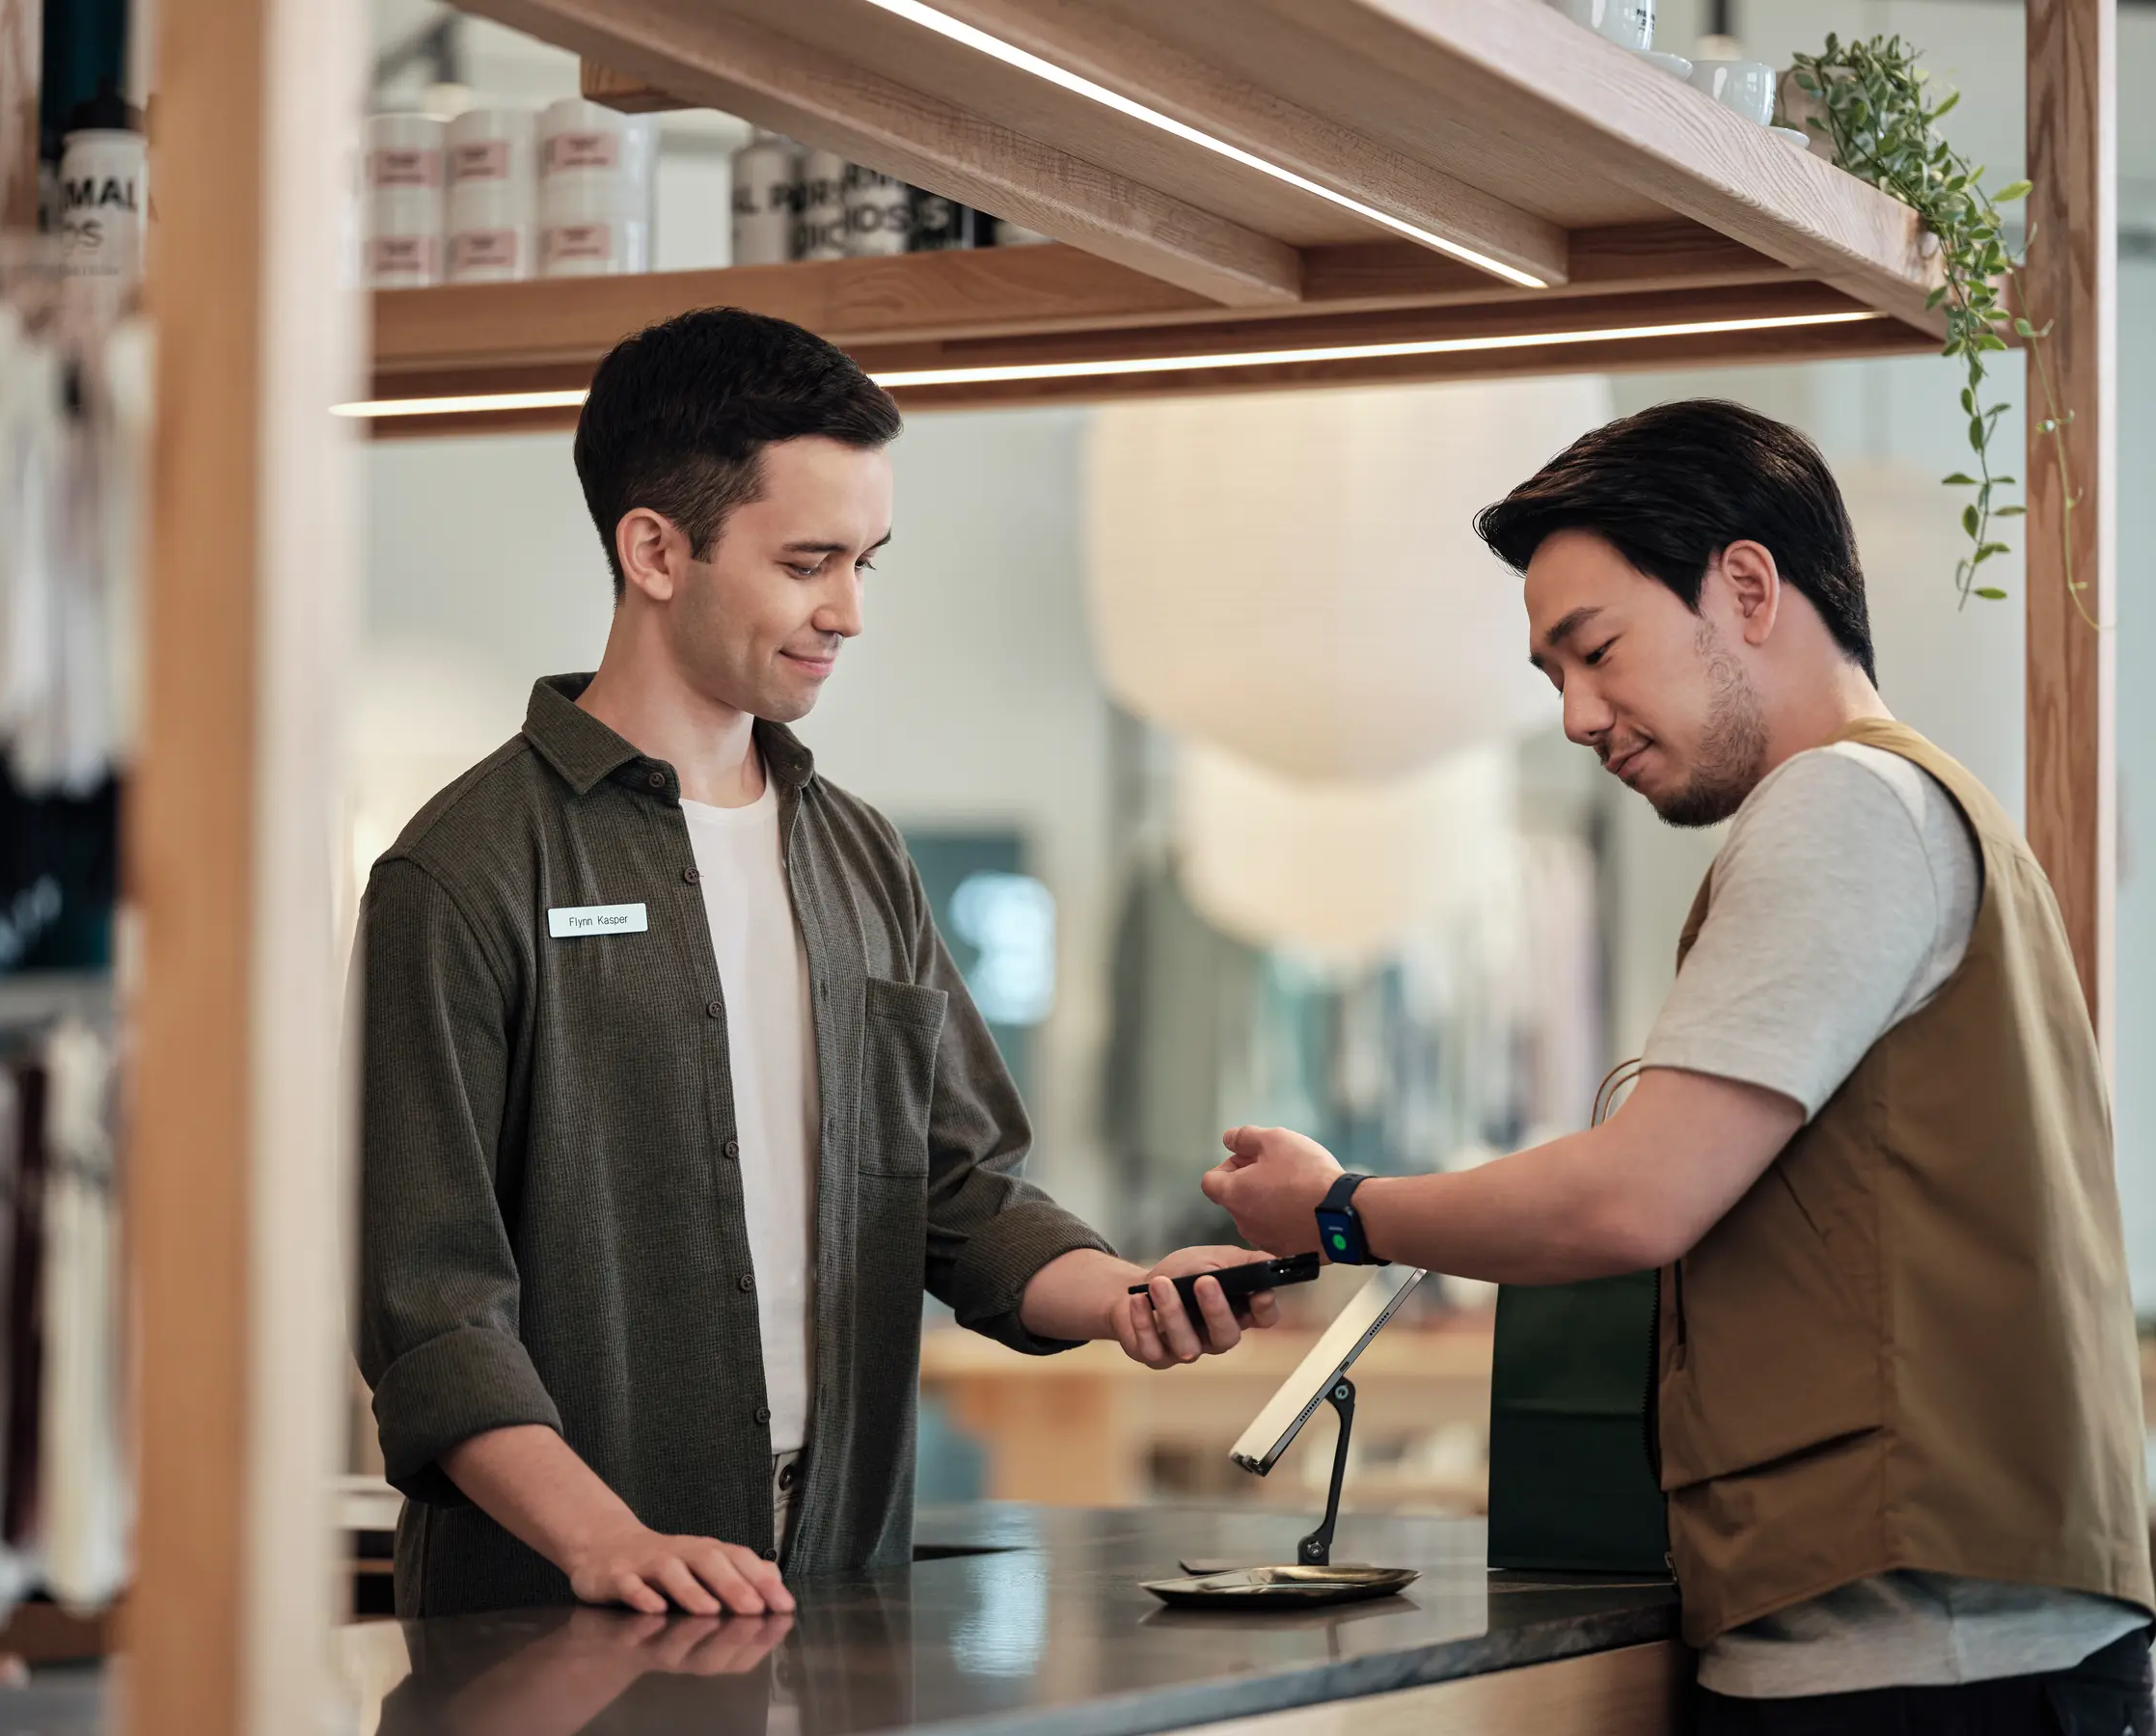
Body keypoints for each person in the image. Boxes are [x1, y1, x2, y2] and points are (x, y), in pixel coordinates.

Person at [1203, 400, 2154, 1733]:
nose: (1579, 717)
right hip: (1944, 1628)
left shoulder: (1841, 805)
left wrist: (1339, 1210)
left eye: (1597, 651)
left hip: (1913, 1651)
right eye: (1554, 677)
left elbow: (1632, 1199)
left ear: (1747, 587)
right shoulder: (1925, 805)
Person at [357, 308, 1278, 1621]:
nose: (847, 611)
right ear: (654, 550)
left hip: (841, 1578)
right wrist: (607, 1541)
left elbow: (959, 1192)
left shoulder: (858, 856)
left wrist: (1128, 1294)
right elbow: (431, 1305)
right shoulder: (464, 873)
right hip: (554, 1611)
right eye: (808, 563)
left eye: (864, 562)